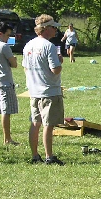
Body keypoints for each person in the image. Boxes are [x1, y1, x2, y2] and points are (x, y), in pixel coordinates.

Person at [22, 14, 65, 165]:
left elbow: (26, 68)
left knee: (35, 123)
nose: (55, 30)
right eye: (53, 27)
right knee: (48, 124)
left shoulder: (28, 45)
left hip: (34, 91)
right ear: (46, 29)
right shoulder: (49, 46)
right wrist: (59, 61)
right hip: (49, 91)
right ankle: (49, 156)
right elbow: (55, 70)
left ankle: (35, 155)